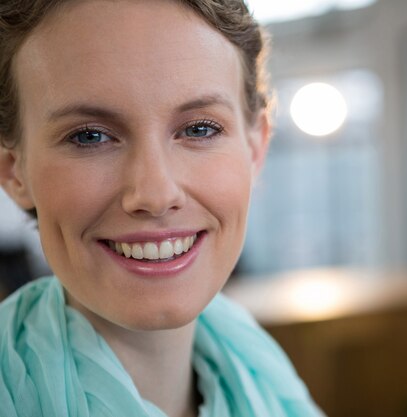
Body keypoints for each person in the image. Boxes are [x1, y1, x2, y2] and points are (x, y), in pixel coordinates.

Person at [0, 0, 323, 416]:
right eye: (89, 137)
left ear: (255, 148)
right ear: (14, 172)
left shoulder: (270, 383)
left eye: (199, 128)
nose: (155, 193)